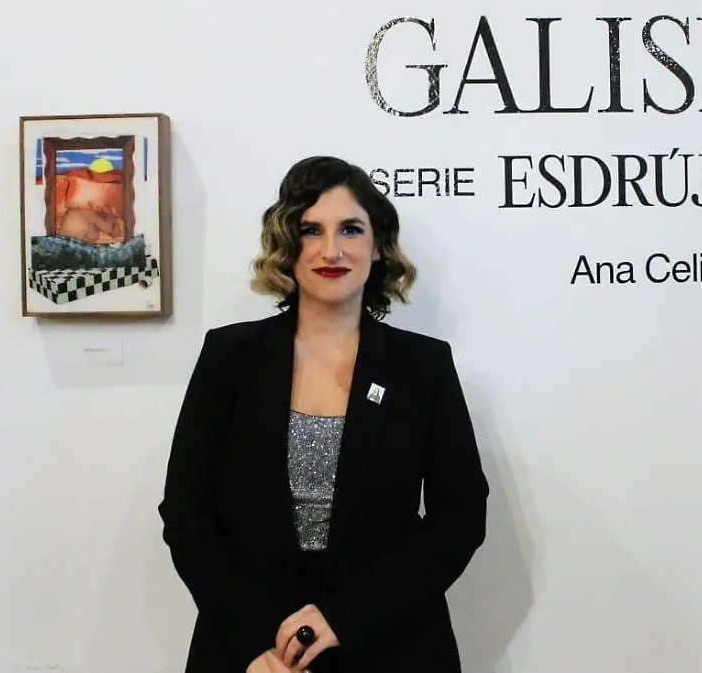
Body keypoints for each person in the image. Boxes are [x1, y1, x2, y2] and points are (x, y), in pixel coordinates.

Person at [157, 156, 490, 673]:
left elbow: (461, 517)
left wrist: (346, 618)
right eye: (310, 230)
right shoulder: (230, 357)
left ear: (378, 246)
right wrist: (255, 643)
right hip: (250, 650)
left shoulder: (422, 366)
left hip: (390, 643)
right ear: (286, 245)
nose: (331, 250)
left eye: (351, 229)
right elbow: (185, 512)